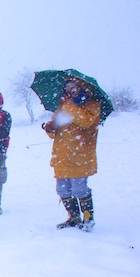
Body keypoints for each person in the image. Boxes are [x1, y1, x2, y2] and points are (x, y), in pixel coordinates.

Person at [43, 76, 101, 231]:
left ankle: (88, 218)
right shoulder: (63, 106)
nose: (70, 90)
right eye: (67, 87)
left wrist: (68, 105)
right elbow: (57, 132)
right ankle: (73, 217)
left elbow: (86, 121)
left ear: (82, 88)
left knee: (79, 189)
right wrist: (50, 129)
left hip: (80, 156)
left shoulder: (92, 105)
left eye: (73, 87)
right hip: (61, 156)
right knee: (62, 190)